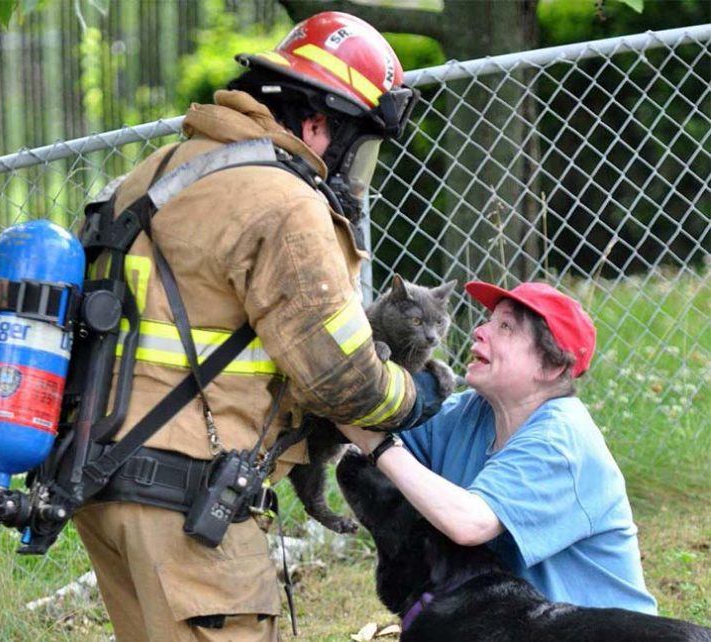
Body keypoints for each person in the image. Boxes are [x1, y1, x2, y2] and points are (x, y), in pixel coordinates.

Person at [72, 12, 446, 642]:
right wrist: (420, 395)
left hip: (102, 477)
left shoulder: (163, 168)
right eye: (361, 146)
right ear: (320, 123)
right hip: (187, 498)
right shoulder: (285, 200)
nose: (356, 171)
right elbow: (343, 381)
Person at [339, 281, 659, 614]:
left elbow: (470, 524)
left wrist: (377, 446)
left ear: (550, 367)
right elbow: (365, 425)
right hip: (511, 628)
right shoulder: (470, 412)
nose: (479, 331)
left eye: (505, 327)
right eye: (488, 320)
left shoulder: (561, 441)